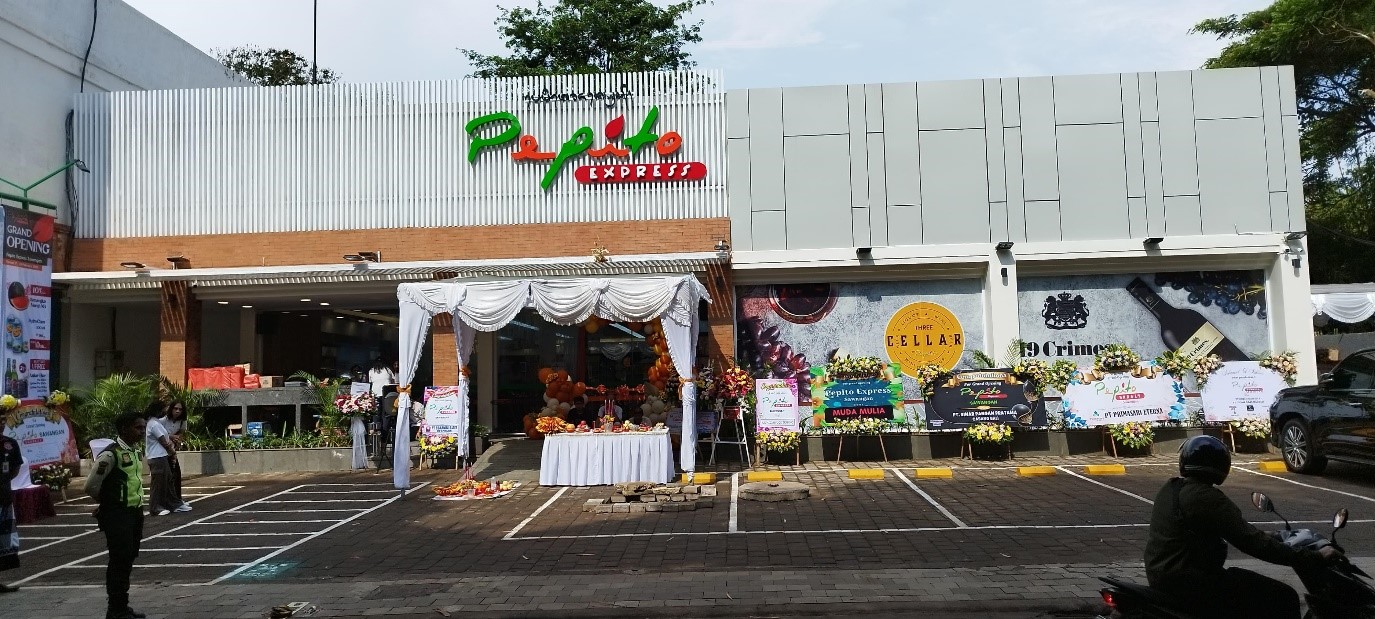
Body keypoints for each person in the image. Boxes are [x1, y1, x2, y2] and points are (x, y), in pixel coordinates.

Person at [1144, 435, 1340, 618]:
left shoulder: (1171, 488)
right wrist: (1314, 557)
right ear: (1221, 465)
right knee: (1284, 596)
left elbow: (1226, 529)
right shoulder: (1208, 498)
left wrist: (1266, 534)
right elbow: (1252, 543)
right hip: (1193, 583)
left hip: (1165, 578)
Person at [84, 411, 148, 619]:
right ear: (124, 429)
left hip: (134, 513)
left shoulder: (135, 451)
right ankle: (115, 609)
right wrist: (107, 503)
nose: (142, 431)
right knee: (119, 561)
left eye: (143, 427)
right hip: (118, 515)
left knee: (127, 559)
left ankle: (122, 605)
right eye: (138, 427)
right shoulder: (111, 454)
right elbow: (91, 485)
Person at [143, 403, 178, 517]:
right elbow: (163, 441)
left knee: (166, 481)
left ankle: (169, 504)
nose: (166, 411)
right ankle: (155, 508)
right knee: (158, 484)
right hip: (156, 457)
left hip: (161, 456)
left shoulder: (156, 422)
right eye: (164, 409)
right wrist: (172, 452)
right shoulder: (153, 424)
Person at [0, 432, 22, 593]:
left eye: (2, 421)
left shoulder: (10, 443)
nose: (1, 423)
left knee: (3, 542)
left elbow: (15, 469)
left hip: (4, 498)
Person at [159, 402, 191, 513]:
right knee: (167, 476)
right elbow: (158, 434)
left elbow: (181, 432)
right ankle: (166, 501)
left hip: (172, 449)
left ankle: (178, 499)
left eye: (180, 409)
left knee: (176, 474)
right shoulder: (163, 420)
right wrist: (171, 436)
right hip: (162, 450)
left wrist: (177, 440)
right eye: (175, 408)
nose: (177, 411)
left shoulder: (182, 421)